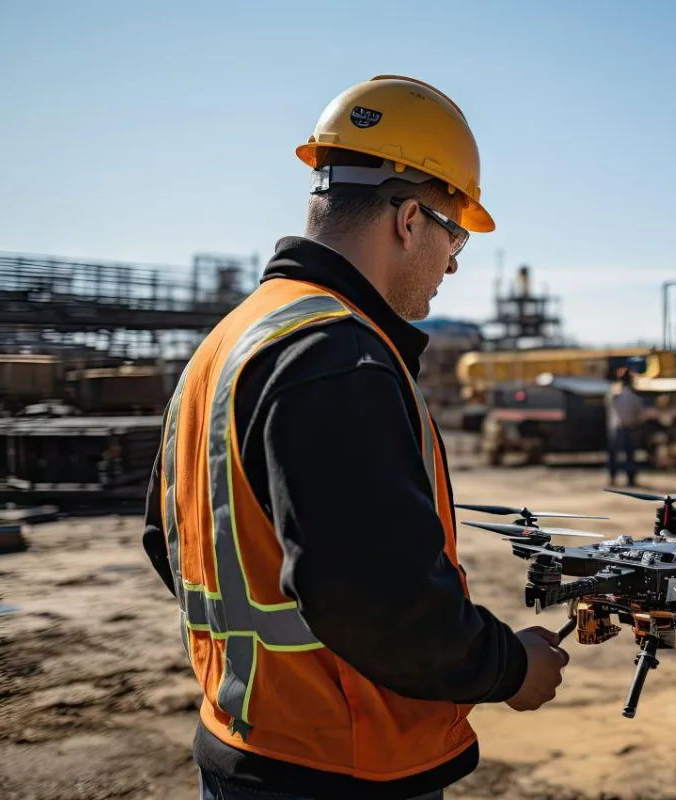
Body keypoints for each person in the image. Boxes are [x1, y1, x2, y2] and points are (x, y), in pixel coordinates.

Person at [141, 75, 569, 800]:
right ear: (408, 219)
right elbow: (378, 597)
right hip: (342, 768)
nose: (455, 261)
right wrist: (510, 667)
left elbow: (168, 540)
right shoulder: (336, 357)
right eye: (453, 234)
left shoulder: (230, 341)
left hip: (244, 744)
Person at [604, 366, 644, 486]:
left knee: (618, 455)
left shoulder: (615, 393)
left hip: (619, 427)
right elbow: (638, 412)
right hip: (625, 427)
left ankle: (615, 478)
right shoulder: (632, 395)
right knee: (628, 455)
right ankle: (628, 479)